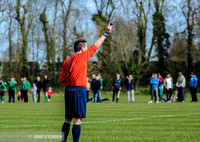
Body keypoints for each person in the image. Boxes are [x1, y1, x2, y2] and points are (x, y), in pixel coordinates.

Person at [60, 24, 112, 142]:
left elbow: (62, 79)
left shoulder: (66, 61)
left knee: (67, 118)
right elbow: (96, 45)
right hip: (79, 90)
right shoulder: (83, 56)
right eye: (86, 47)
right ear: (82, 48)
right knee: (77, 119)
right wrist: (106, 33)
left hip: (68, 90)